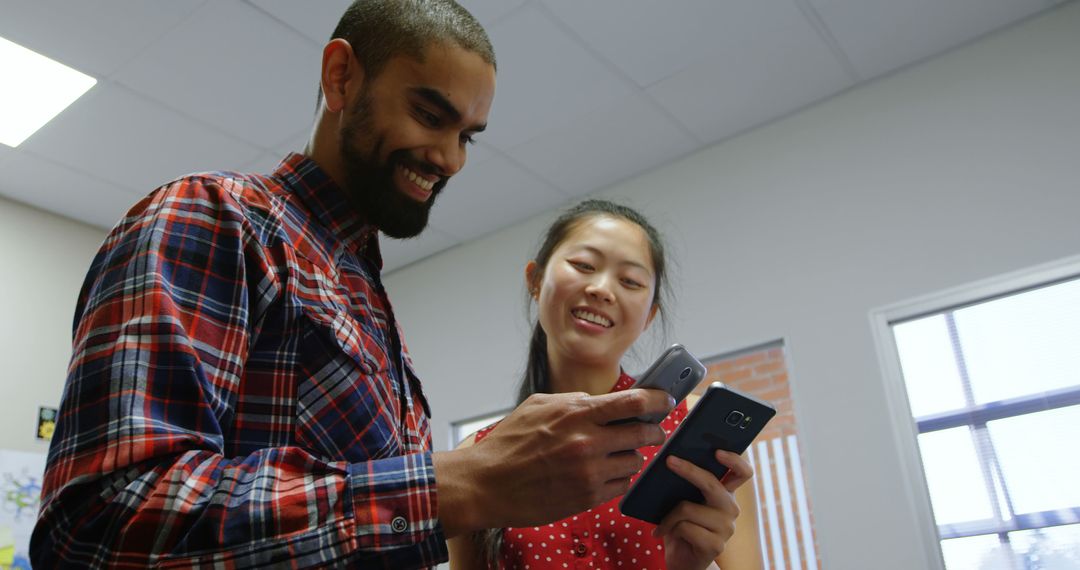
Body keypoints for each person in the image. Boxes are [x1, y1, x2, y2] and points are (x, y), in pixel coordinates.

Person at [30, 1, 679, 568]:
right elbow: (100, 525)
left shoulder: (368, 302)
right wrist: (452, 486)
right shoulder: (218, 218)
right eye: (429, 114)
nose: (451, 159)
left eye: (466, 137)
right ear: (341, 76)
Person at [447, 200, 763, 570]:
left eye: (630, 281)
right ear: (535, 280)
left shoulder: (690, 426)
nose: (602, 289)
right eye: (583, 266)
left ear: (649, 316)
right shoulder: (479, 453)